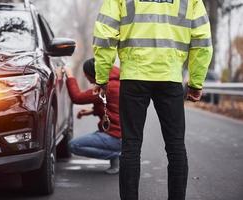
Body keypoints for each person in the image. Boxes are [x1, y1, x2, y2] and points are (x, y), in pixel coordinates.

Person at [93, 0, 213, 199]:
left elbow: (105, 35)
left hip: (133, 77)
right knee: (176, 147)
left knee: (131, 146)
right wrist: (196, 82)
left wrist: (102, 77)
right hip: (170, 76)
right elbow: (202, 40)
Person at [63, 58, 121, 174]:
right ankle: (118, 155)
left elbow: (77, 97)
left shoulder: (105, 87)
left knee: (74, 145)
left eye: (87, 76)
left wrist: (69, 75)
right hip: (122, 135)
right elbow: (113, 106)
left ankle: (118, 154)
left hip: (116, 137)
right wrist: (91, 111)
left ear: (94, 74)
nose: (89, 81)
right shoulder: (117, 82)